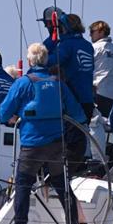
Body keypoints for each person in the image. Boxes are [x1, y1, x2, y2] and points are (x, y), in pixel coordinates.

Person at [0, 43, 86, 224]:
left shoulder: (23, 82)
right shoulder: (59, 82)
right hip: (56, 144)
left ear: (29, 60)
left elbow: (4, 113)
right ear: (46, 61)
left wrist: (9, 117)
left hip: (32, 144)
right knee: (62, 184)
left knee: (23, 183)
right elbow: (78, 115)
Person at [39, 9, 95, 173]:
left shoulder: (66, 45)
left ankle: (58, 174)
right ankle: (72, 172)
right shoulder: (87, 45)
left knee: (63, 140)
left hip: (72, 101)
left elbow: (49, 61)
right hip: (87, 101)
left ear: (63, 28)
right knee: (78, 139)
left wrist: (40, 54)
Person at [89, 20, 113, 117]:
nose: (90, 35)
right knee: (100, 123)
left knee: (89, 123)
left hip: (96, 92)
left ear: (101, 32)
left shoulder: (95, 48)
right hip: (111, 95)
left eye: (92, 32)